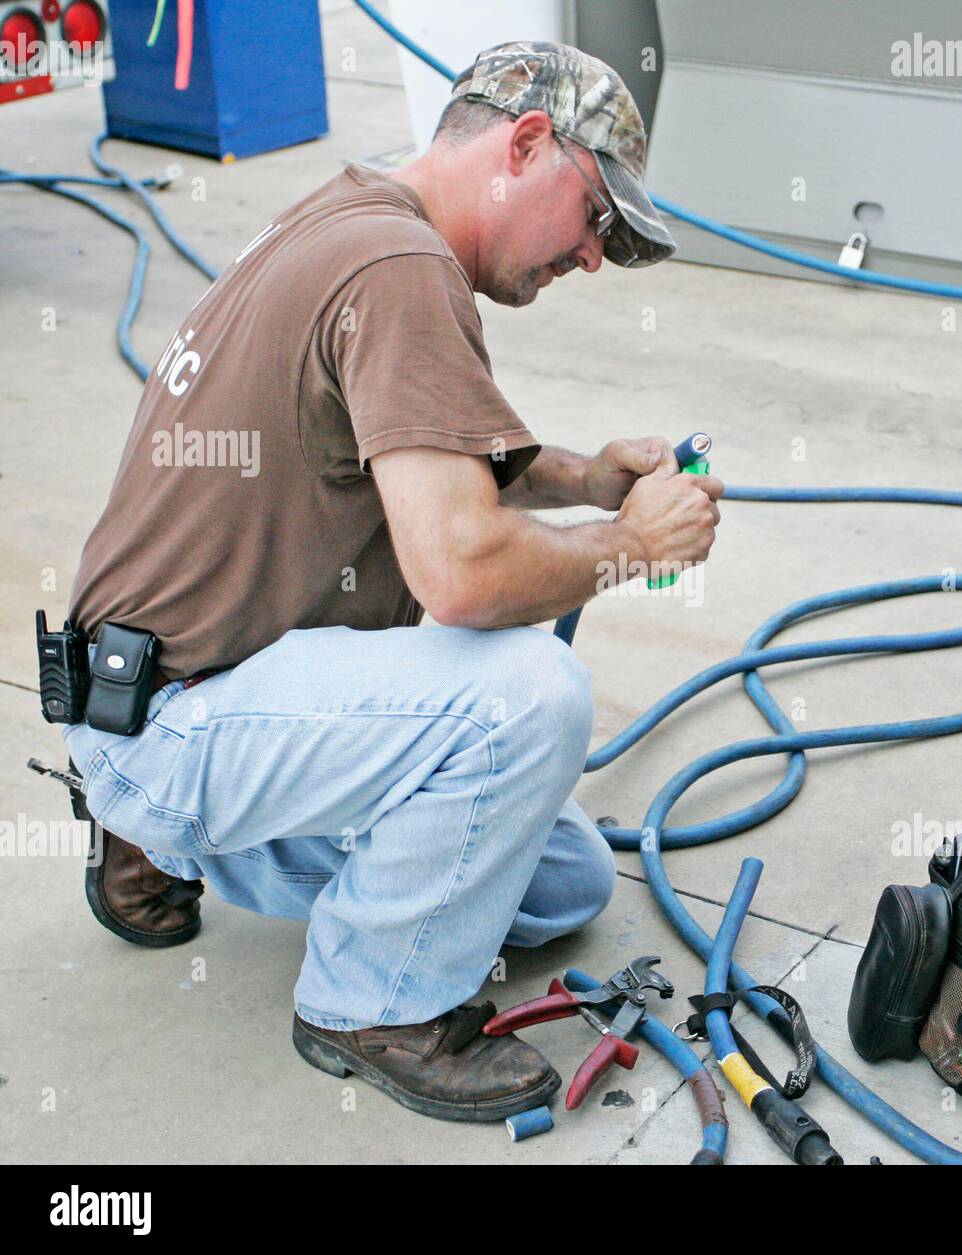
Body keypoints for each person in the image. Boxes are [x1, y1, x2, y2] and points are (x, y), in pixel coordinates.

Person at [63, 41, 722, 1122]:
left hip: (157, 687)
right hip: (178, 722)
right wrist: (636, 546)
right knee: (527, 694)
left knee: (563, 885)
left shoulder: (356, 214)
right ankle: (367, 1004)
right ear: (523, 143)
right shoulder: (399, 271)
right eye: (594, 218)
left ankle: (163, 835)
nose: (592, 259)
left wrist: (590, 481)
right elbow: (459, 573)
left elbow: (419, 443)